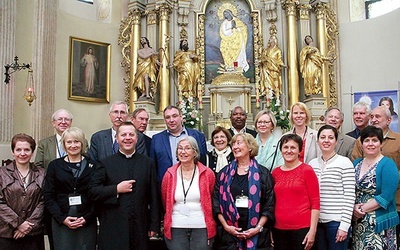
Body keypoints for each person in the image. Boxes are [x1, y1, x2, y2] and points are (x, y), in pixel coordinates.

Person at [89, 121, 160, 250]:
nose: (128, 138)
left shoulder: (147, 163)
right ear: (117, 139)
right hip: (113, 224)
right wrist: (116, 189)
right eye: (123, 135)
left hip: (139, 225)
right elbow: (93, 191)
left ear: (137, 138)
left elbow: (154, 196)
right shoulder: (105, 163)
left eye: (131, 135)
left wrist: (154, 225)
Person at [213, 133, 275, 249]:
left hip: (258, 236)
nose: (235, 147)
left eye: (239, 143)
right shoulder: (223, 174)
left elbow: (269, 205)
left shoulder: (263, 174)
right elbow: (216, 203)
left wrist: (257, 228)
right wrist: (226, 227)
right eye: (233, 144)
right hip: (229, 236)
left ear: (250, 147)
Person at [35, 108, 81, 250]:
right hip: (53, 195)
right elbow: (38, 166)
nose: (63, 122)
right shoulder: (44, 143)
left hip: (76, 195)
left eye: (66, 119)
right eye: (59, 119)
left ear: (71, 122)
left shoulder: (80, 140)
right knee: (56, 237)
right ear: (53, 123)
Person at [43, 127, 96, 250]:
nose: (73, 145)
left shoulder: (93, 165)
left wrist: (87, 218)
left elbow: (97, 195)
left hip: (86, 220)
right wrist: (62, 218)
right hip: (62, 219)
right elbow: (48, 195)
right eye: (69, 142)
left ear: (82, 144)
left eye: (76, 141)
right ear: (64, 144)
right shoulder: (54, 166)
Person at [161, 136, 216, 250]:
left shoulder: (207, 173)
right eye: (180, 149)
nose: (183, 152)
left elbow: (211, 198)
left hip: (201, 225)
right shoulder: (169, 174)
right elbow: (165, 199)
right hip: (176, 226)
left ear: (195, 152)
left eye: (187, 148)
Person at [351, 126, 399, 249]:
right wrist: (354, 208)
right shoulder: (356, 164)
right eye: (367, 140)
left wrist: (361, 210)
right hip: (358, 222)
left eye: (375, 140)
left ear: (381, 143)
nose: (370, 144)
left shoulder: (388, 164)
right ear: (361, 144)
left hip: (379, 223)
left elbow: (386, 196)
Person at [308, 125, 355, 249]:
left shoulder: (344, 163)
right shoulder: (312, 164)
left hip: (336, 222)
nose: (326, 140)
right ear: (318, 142)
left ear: (336, 141)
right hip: (317, 222)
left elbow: (350, 195)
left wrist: (344, 225)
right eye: (322, 137)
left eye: (330, 137)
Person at [271, 134, 320, 250]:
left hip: (302, 229)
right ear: (281, 150)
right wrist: (270, 230)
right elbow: (272, 203)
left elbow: (315, 203)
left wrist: (312, 230)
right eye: (285, 147)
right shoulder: (275, 173)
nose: (289, 151)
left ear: (300, 150)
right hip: (279, 229)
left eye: (293, 147)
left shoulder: (307, 170)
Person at [0, 133, 46, 250]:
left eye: (26, 150)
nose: (22, 153)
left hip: (33, 233)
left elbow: (43, 201)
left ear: (32, 152)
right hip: (7, 233)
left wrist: (28, 225)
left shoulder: (42, 174)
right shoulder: (2, 173)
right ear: (13, 152)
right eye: (18, 149)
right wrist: (18, 223)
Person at [150, 105, 207, 182]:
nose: (171, 120)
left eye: (174, 116)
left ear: (181, 117)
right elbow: (153, 168)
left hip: (194, 183)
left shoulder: (198, 136)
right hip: (167, 185)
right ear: (165, 120)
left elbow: (203, 161)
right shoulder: (156, 139)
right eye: (167, 117)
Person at [259, 35, 284, 100]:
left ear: (274, 40)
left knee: (274, 82)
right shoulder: (266, 50)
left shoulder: (278, 50)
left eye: (272, 38)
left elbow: (279, 60)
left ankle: (273, 93)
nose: (270, 39)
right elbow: (262, 58)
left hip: (274, 69)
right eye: (270, 38)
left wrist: (281, 64)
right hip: (266, 69)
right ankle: (268, 92)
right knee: (267, 81)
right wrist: (262, 60)